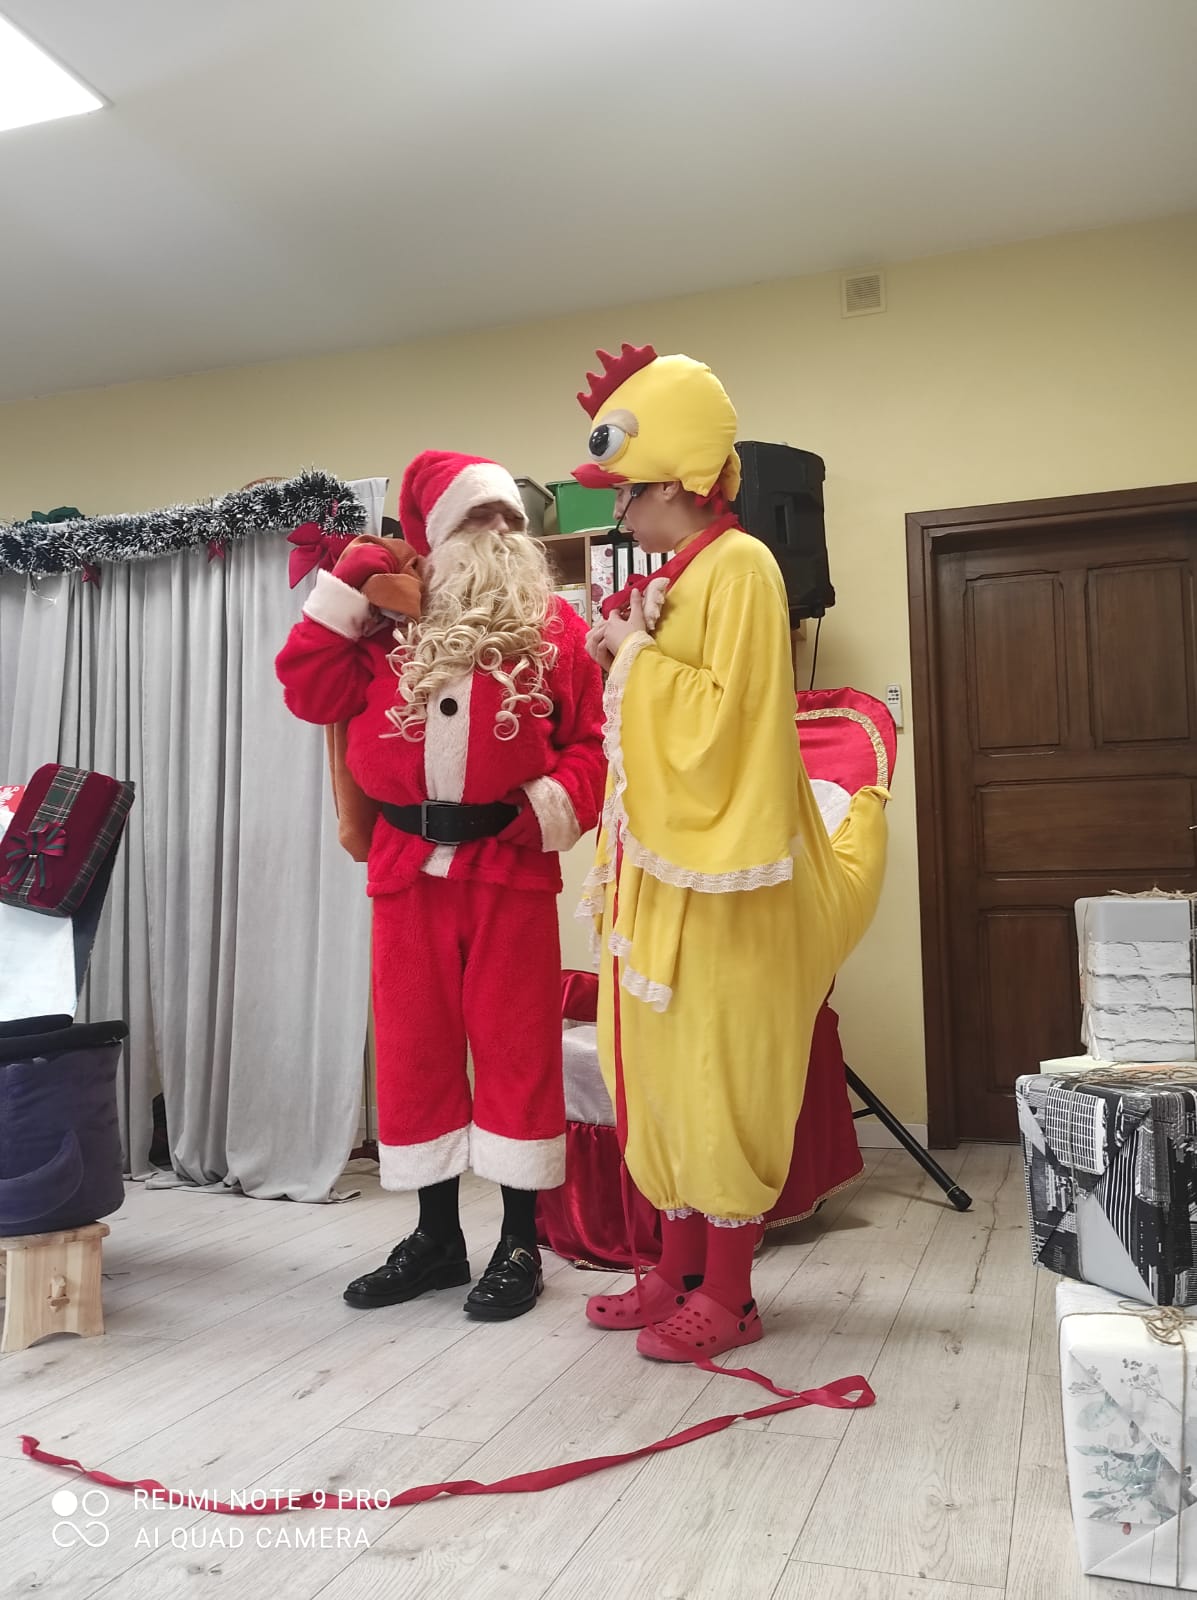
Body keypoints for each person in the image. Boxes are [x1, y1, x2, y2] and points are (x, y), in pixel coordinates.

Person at [572, 345, 889, 1361]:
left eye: (625, 493)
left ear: (674, 482)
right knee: (663, 1073)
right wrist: (627, 651)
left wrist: (632, 657)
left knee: (717, 1075)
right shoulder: (683, 577)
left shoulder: (743, 567)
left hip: (727, 882)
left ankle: (733, 1294)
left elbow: (729, 722)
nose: (618, 514)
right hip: (668, 876)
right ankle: (676, 1270)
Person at [276, 450, 606, 1320]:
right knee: (415, 1051)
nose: (496, 535)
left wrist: (536, 809)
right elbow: (306, 690)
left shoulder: (553, 630)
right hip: (406, 871)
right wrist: (346, 585)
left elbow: (591, 747)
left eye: (506, 520)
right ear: (431, 535)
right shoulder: (382, 626)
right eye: (474, 519)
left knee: (517, 1050)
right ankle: (436, 1239)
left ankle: (518, 1241)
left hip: (509, 869)